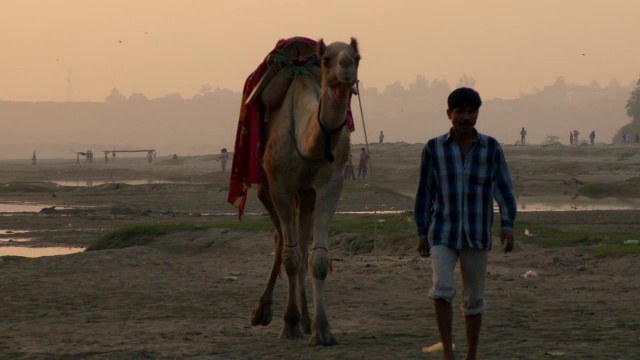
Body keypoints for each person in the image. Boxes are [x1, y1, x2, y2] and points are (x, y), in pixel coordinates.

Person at [414, 87, 517, 360]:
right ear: (449, 114)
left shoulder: (491, 148)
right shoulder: (434, 148)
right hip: (442, 233)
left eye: (471, 111)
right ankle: (448, 351)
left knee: (473, 300)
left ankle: (471, 354)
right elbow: (425, 193)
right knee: (442, 289)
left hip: (477, 232)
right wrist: (421, 232)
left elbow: (504, 189)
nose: (466, 117)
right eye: (460, 111)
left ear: (477, 114)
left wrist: (508, 225)